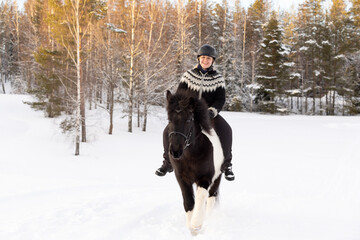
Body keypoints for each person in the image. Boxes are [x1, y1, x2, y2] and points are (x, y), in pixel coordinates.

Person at [155, 44, 235, 181]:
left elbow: (220, 99)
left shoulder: (218, 78)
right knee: (166, 132)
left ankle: (227, 165)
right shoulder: (188, 75)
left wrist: (212, 111)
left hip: (208, 114)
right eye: (203, 57)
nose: (205, 60)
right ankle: (168, 163)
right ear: (199, 59)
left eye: (209, 58)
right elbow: (179, 95)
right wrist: (180, 109)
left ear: (213, 61)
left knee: (226, 130)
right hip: (188, 113)